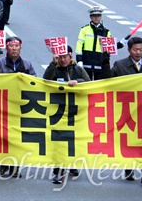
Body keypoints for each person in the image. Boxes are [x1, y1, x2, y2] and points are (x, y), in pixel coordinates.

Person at [101, 37, 142, 186]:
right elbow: (107, 82)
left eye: (141, 49)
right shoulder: (120, 65)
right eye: (135, 49)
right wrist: (105, 63)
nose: (138, 52)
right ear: (129, 50)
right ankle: (129, 166)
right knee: (128, 139)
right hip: (126, 110)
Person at [0, 36, 35, 178]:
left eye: (16, 46)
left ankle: (15, 165)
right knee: (3, 137)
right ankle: (3, 163)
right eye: (11, 46)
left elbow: (35, 83)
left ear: (20, 48)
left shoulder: (27, 65)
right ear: (6, 48)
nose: (13, 49)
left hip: (20, 106)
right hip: (2, 106)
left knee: (17, 137)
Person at [43, 45, 89, 184]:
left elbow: (89, 83)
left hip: (76, 110)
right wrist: (53, 63)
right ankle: (57, 171)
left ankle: (72, 164)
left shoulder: (78, 69)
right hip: (58, 110)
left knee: (74, 140)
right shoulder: (54, 69)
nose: (63, 60)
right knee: (59, 141)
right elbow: (45, 81)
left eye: (65, 57)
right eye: (60, 57)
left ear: (71, 56)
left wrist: (78, 82)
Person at [75, 6, 122, 80]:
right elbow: (79, 44)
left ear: (101, 17)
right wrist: (79, 60)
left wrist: (120, 44)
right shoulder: (84, 30)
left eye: (98, 16)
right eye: (94, 16)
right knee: (86, 83)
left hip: (100, 62)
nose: (96, 18)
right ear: (90, 17)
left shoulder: (106, 32)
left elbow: (110, 47)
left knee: (99, 84)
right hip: (87, 61)